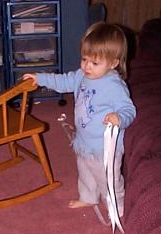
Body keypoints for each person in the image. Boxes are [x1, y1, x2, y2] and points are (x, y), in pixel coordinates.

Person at [23, 22, 136, 216]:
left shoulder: (114, 86)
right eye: (84, 59)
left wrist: (119, 117)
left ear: (113, 63)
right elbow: (63, 80)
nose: (87, 66)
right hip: (83, 141)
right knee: (85, 173)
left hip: (104, 148)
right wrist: (40, 78)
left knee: (107, 179)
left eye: (95, 63)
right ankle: (88, 197)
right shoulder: (81, 76)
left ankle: (117, 207)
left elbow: (129, 110)